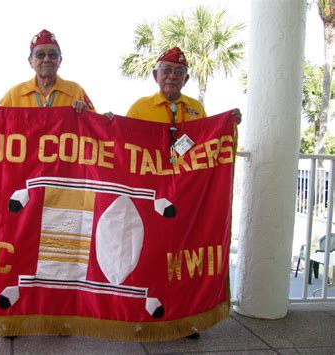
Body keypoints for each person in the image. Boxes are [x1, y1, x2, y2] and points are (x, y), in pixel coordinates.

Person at [126, 47, 241, 340]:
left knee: (181, 258)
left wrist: (227, 122)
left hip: (185, 195)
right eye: (166, 70)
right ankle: (147, 317)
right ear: (155, 75)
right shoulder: (140, 107)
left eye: (178, 72)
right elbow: (123, 145)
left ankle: (184, 320)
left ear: (186, 79)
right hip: (152, 196)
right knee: (150, 256)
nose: (172, 76)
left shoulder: (195, 109)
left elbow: (200, 142)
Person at [0, 29, 94, 113]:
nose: (47, 59)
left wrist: (88, 115)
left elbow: (96, 127)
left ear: (60, 60)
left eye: (52, 54)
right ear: (30, 61)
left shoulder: (75, 91)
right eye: (40, 55)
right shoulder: (14, 94)